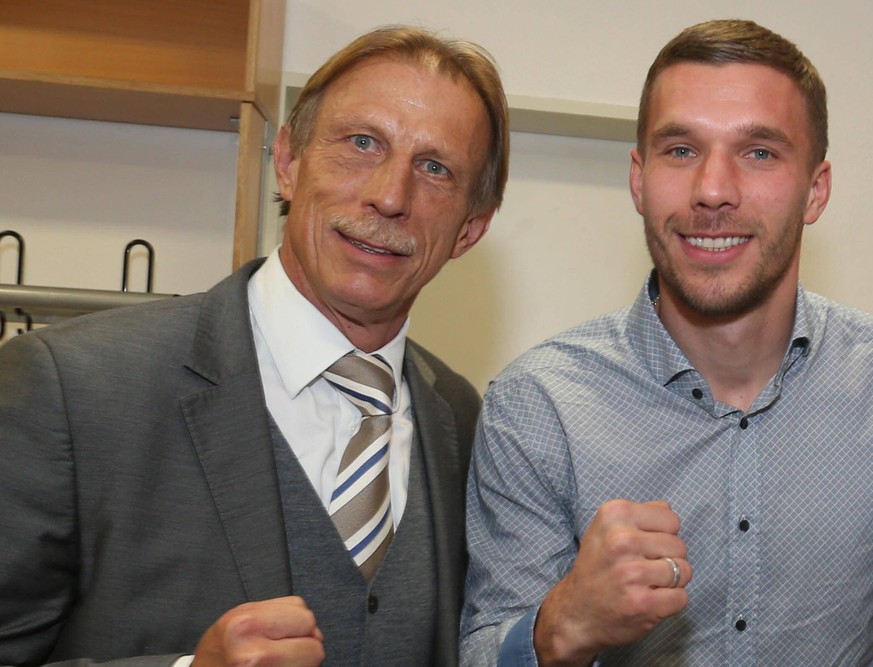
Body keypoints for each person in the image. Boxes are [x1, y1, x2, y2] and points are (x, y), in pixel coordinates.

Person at [0, 25, 509, 667]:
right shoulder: (70, 388)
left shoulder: (463, 418)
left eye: (435, 169)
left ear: (469, 228)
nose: (390, 195)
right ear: (289, 160)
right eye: (361, 143)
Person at [462, 18, 873, 666]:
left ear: (814, 190)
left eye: (758, 151)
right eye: (680, 149)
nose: (712, 190)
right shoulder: (537, 408)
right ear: (637, 177)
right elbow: (484, 643)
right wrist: (556, 630)